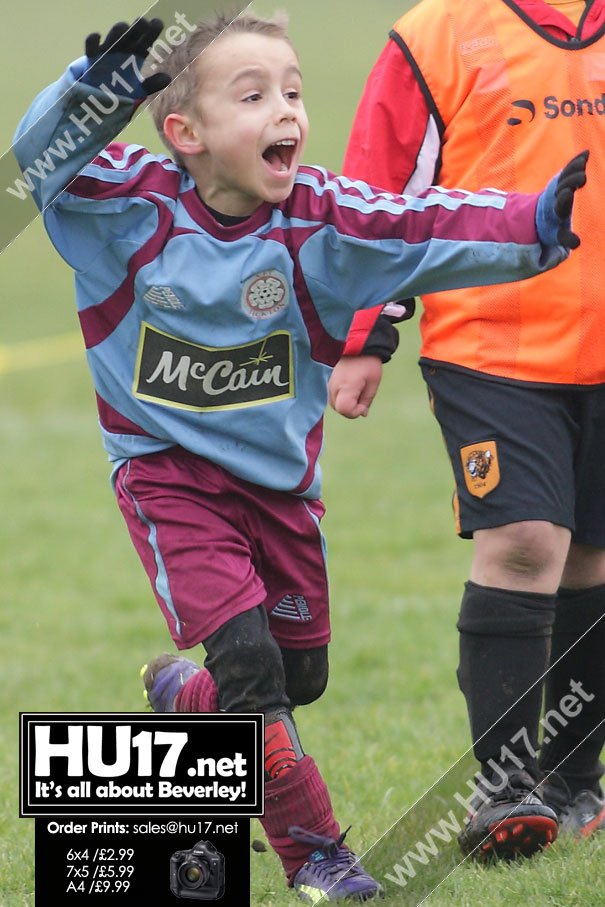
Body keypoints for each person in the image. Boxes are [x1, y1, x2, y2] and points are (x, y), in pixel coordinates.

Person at [13, 11, 587, 898]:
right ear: (184, 132)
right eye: (253, 96)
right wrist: (86, 98)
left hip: (280, 490)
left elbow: (425, 221)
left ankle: (185, 700)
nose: (285, 110)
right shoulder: (124, 209)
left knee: (296, 675)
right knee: (250, 668)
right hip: (165, 474)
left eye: (292, 91)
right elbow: (34, 171)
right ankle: (318, 854)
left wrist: (533, 223)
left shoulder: (326, 220)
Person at [329, 0, 605, 863]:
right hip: (490, 346)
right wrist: (364, 331)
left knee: (592, 558)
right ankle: (504, 782)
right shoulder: (433, 33)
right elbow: (374, 193)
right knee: (524, 541)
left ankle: (573, 779)